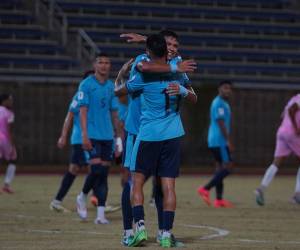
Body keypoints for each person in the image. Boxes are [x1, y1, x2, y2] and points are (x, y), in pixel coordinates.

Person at [116, 34, 195, 247]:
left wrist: (119, 78)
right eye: (169, 44)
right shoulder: (147, 64)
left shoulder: (175, 66)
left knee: (151, 184)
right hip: (137, 130)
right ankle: (128, 230)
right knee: (134, 182)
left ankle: (162, 233)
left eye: (176, 45)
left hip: (151, 132)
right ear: (162, 47)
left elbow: (120, 90)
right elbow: (146, 67)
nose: (173, 48)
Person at [75, 52, 121, 224]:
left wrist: (117, 139)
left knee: (104, 174)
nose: (103, 65)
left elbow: (115, 113)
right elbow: (83, 112)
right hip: (92, 135)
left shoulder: (111, 86)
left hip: (107, 136)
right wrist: (84, 134)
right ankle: (82, 196)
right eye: (100, 62)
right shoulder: (86, 85)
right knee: (96, 170)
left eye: (107, 62)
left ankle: (101, 215)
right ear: (94, 65)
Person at [255, 94, 300, 206]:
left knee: (276, 163)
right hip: (292, 134)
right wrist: (296, 128)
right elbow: (291, 110)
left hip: (282, 132)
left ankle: (261, 188)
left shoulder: (293, 98)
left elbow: (282, 115)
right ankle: (297, 195)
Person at [197, 81, 234, 208]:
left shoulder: (222, 103)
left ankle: (218, 200)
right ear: (219, 89)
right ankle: (205, 189)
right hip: (219, 140)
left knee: (220, 168)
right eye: (225, 88)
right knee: (228, 167)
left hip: (215, 140)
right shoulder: (218, 103)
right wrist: (228, 140)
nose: (228, 90)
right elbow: (221, 122)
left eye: (229, 88)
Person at [49, 91, 88, 212]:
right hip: (80, 140)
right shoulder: (80, 96)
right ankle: (99, 202)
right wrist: (63, 136)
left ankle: (57, 201)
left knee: (75, 169)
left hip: (93, 138)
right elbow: (69, 116)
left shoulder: (99, 94)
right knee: (94, 167)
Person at [0, 94, 17, 194]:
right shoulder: (9, 113)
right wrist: (12, 145)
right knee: (13, 159)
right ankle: (6, 185)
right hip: (4, 140)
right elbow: (10, 130)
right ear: (3, 101)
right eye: (9, 100)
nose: (11, 102)